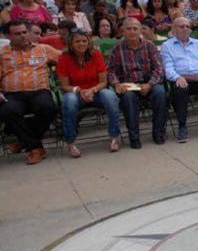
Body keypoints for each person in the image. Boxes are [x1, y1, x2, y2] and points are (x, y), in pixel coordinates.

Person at [0, 20, 61, 164]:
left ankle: (26, 141)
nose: (22, 36)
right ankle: (35, 147)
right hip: (13, 94)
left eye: (24, 32)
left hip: (38, 91)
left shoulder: (44, 49)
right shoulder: (2, 54)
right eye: (17, 33)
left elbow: (66, 59)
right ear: (8, 36)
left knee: (48, 108)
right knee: (7, 111)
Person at [56, 30, 122, 156]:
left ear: (88, 42)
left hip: (96, 90)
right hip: (75, 93)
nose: (81, 44)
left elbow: (103, 82)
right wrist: (80, 91)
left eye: (84, 41)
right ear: (71, 44)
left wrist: (92, 90)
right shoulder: (64, 58)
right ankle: (71, 143)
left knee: (110, 96)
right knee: (68, 101)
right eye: (77, 41)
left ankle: (114, 137)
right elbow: (65, 86)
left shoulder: (96, 55)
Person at [107, 17, 167, 148]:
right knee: (128, 98)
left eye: (135, 28)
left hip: (149, 82)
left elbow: (158, 68)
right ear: (123, 31)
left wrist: (150, 84)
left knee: (160, 93)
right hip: (129, 85)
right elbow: (110, 70)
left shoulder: (150, 46)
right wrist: (117, 84)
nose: (132, 32)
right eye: (128, 29)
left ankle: (159, 133)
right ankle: (134, 137)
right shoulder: (117, 49)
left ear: (140, 30)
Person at [160, 17, 198, 142]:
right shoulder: (167, 46)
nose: (185, 29)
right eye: (182, 26)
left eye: (187, 26)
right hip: (181, 78)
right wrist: (177, 77)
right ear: (174, 29)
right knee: (180, 91)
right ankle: (182, 127)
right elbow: (168, 67)